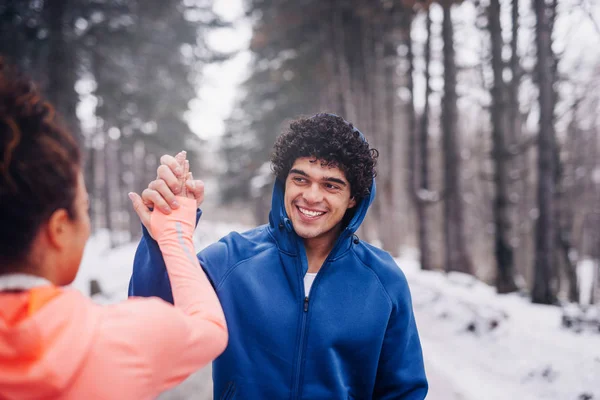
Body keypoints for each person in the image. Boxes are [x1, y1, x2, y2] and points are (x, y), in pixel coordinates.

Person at [129, 113, 429, 399]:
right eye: (301, 179)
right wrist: (164, 241)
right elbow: (153, 328)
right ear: (285, 181)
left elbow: (403, 391)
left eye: (330, 185)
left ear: (353, 197)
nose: (311, 196)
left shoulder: (384, 280)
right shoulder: (231, 259)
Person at [0, 61, 227, 399]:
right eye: (85, 208)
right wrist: (175, 233)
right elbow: (210, 329)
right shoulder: (112, 338)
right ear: (59, 229)